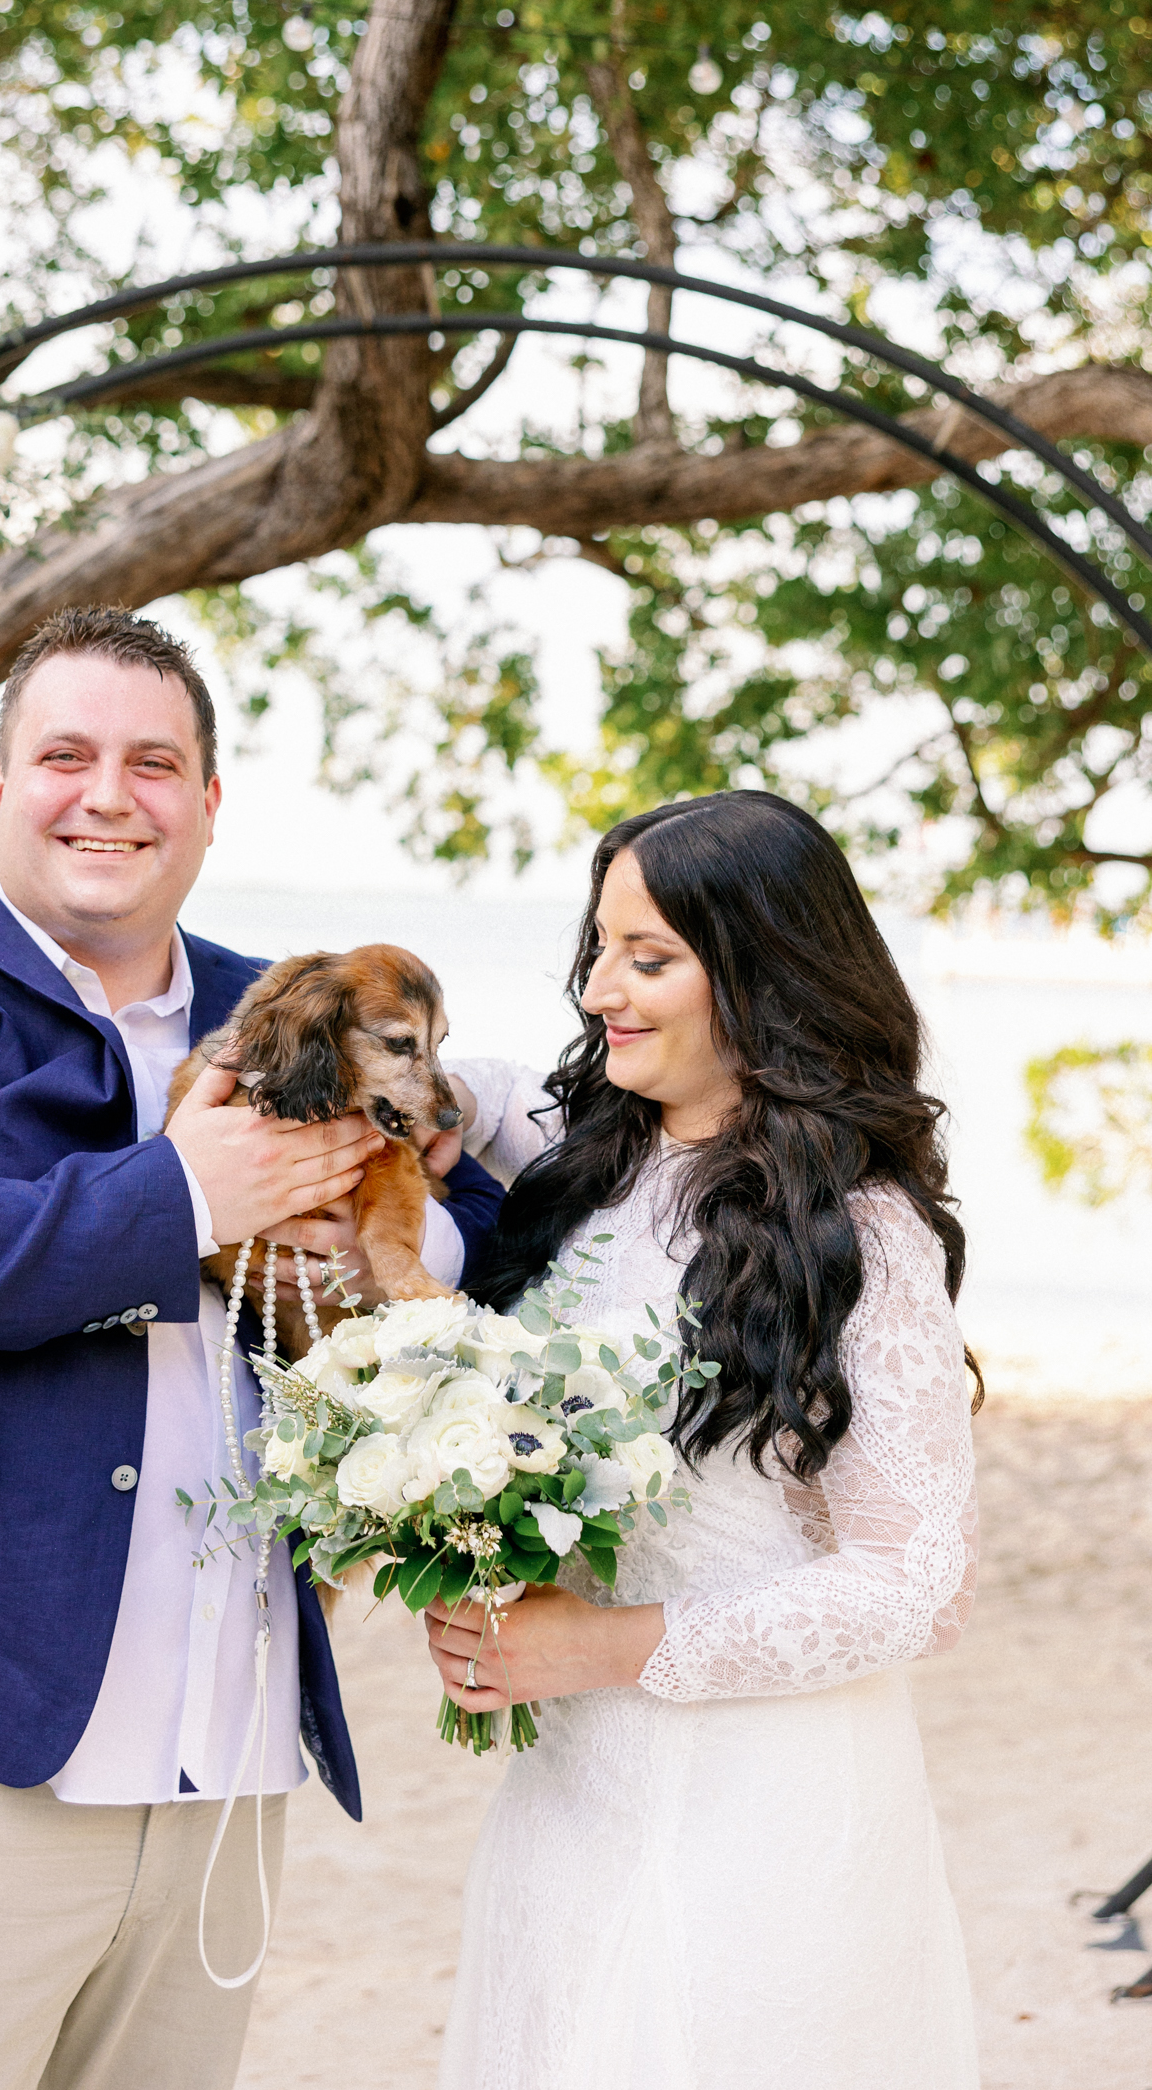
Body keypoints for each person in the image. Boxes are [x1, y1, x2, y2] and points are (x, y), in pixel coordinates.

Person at [0, 605, 505, 2090]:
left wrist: (399, 1250)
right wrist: (186, 1195)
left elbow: (501, 1223)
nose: (108, 794)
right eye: (65, 754)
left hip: (233, 1747)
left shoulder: (300, 1005)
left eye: (154, 761)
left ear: (206, 804)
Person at [428, 791, 982, 2090]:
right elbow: (460, 1086)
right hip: (568, 1797)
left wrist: (602, 1644)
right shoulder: (579, 1158)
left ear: (760, 975)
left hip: (767, 1805)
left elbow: (918, 1586)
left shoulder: (863, 1231)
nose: (601, 988)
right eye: (600, 947)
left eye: (651, 958)